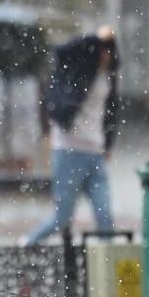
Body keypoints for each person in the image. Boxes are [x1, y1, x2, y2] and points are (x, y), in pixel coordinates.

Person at [24, 28, 119, 245]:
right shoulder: (77, 70)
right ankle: (26, 245)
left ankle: (107, 268)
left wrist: (108, 144)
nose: (107, 55)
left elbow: (111, 114)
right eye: (103, 50)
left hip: (95, 153)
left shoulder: (109, 77)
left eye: (109, 51)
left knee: (105, 216)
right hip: (69, 151)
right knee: (62, 218)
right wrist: (96, 37)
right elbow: (61, 50)